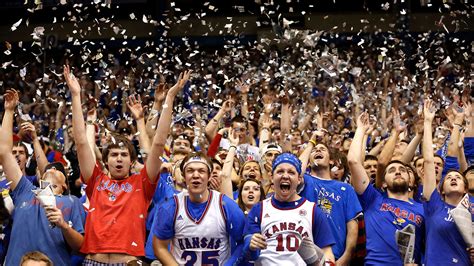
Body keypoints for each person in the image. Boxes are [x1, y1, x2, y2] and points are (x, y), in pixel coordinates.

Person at [66, 65, 190, 264]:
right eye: (114, 154)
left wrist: (169, 99)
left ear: (132, 162)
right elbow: (81, 142)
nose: (119, 158)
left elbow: (158, 142)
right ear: (105, 162)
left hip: (128, 262)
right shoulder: (95, 179)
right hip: (92, 261)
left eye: (124, 155)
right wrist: (75, 95)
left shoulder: (143, 183)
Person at [0, 122, 85, 265]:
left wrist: (64, 226)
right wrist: (9, 109)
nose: (52, 169)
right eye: (49, 169)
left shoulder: (73, 201)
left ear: (64, 185)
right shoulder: (25, 191)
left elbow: (80, 247)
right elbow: (4, 152)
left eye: (58, 169)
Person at [347, 112, 425, 265]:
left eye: (402, 170)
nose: (397, 171)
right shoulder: (373, 199)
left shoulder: (423, 209)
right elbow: (353, 161)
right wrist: (361, 130)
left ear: (411, 180)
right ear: (383, 183)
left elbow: (431, 246)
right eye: (392, 170)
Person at [152, 152, 245, 265]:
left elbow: (243, 241)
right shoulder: (171, 206)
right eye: (190, 171)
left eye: (201, 171)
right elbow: (159, 246)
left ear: (209, 176)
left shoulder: (226, 206)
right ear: (183, 176)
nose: (196, 175)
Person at [243, 152, 336, 265]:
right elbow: (247, 254)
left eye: (291, 172)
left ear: (299, 179)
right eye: (280, 171)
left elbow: (327, 253)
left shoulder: (313, 210)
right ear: (271, 177)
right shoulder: (258, 209)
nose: (285, 176)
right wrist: (251, 245)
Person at [422, 98, 474, 265]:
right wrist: (428, 122)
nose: (453, 177)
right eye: (449, 177)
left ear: (466, 189)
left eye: (458, 177)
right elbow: (429, 161)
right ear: (441, 189)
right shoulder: (434, 204)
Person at [299, 133, 362, 265]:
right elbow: (296, 170)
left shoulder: (345, 189)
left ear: (331, 161)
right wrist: (311, 143)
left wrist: (345, 257)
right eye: (314, 150)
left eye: (322, 149)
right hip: (302, 257)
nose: (317, 150)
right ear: (309, 162)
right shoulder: (305, 181)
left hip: (335, 257)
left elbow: (352, 227)